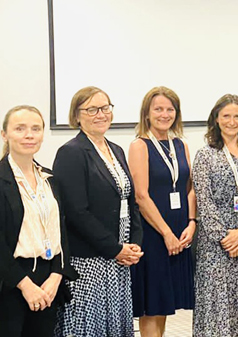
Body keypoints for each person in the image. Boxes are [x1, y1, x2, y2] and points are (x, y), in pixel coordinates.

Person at [53, 86, 144, 337]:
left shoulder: (116, 150)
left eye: (105, 107)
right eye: (92, 109)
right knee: (88, 327)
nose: (101, 114)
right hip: (90, 260)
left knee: (115, 326)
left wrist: (134, 243)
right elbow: (76, 212)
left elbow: (130, 200)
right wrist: (115, 249)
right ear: (77, 115)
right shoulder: (71, 152)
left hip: (120, 258)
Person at [193, 94, 238, 336]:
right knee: (217, 304)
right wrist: (226, 238)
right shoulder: (205, 155)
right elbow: (203, 201)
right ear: (216, 119)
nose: (232, 121)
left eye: (237, 116)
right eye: (226, 116)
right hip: (215, 245)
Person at [0, 105, 78, 336]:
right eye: (20, 129)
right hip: (11, 281)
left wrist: (56, 277)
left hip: (48, 280)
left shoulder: (49, 178)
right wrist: (25, 285)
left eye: (36, 128)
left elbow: (60, 231)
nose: (29, 135)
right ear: (5, 134)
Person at [129, 87, 196, 337]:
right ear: (147, 113)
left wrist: (192, 222)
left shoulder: (181, 145)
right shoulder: (139, 145)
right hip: (154, 233)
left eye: (170, 109)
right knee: (152, 305)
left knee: (165, 304)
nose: (164, 114)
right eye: (158, 109)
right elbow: (141, 196)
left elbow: (190, 188)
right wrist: (166, 233)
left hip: (180, 230)